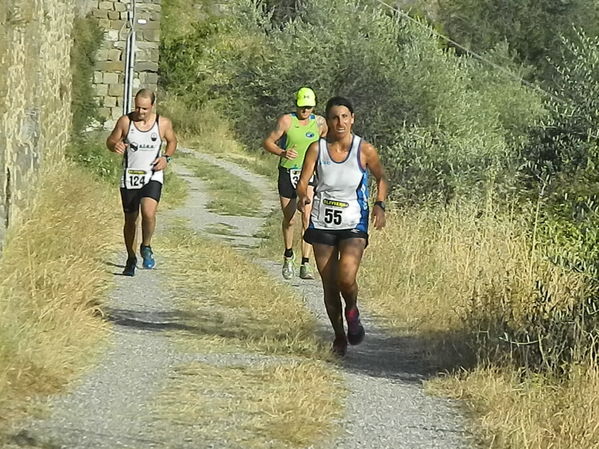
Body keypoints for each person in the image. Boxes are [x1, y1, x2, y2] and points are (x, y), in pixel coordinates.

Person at [297, 96, 388, 356]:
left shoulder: (364, 149)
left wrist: (380, 205)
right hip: (322, 220)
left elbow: (381, 178)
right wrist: (302, 194)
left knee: (346, 277)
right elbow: (303, 180)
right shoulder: (317, 148)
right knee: (329, 283)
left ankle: (352, 310)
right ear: (328, 121)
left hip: (353, 221)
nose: (340, 122)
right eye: (335, 117)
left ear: (352, 119)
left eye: (345, 117)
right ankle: (339, 336)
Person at [106, 88, 177, 276]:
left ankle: (146, 246)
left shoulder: (162, 123)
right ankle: (131, 257)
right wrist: (116, 145)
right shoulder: (125, 122)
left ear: (152, 107)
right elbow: (111, 141)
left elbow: (172, 141)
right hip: (130, 176)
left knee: (148, 212)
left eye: (144, 109)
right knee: (130, 220)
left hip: (152, 175)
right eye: (137, 107)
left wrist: (166, 158)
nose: (140, 112)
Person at [263, 87, 328, 280]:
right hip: (287, 172)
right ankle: (288, 255)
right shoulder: (286, 120)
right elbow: (268, 142)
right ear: (296, 105)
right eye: (302, 107)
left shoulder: (320, 123)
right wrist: (282, 152)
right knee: (290, 218)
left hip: (308, 175)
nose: (305, 111)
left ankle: (305, 263)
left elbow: (325, 145)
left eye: (308, 107)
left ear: (313, 106)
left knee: (308, 218)